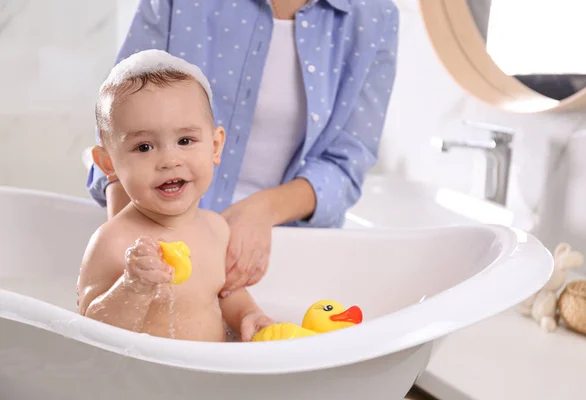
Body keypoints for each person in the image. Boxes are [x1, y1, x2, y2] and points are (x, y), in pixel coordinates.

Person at [86, 0, 399, 297]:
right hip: (154, 230)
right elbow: (118, 123)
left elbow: (346, 163)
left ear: (216, 143)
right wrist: (129, 245)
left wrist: (263, 210)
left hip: (281, 247)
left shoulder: (372, 16)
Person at [77, 50, 275, 342]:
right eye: (144, 147)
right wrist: (133, 286)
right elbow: (91, 330)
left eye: (185, 140)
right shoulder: (114, 241)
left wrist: (248, 315)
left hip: (211, 371)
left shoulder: (216, 229)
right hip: (149, 379)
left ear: (216, 146)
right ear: (109, 164)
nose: (169, 160)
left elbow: (225, 294)